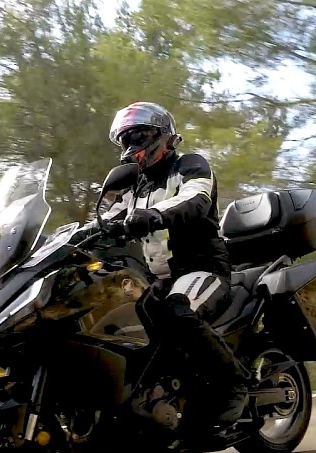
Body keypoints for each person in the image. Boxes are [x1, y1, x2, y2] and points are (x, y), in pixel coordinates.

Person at [105, 101, 253, 429]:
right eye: (126, 139)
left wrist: (153, 215)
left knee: (176, 312)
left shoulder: (190, 165)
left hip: (203, 269)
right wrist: (65, 240)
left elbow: (196, 199)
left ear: (162, 136)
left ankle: (233, 384)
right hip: (157, 279)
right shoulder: (135, 187)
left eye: (138, 136)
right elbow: (108, 220)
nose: (132, 145)